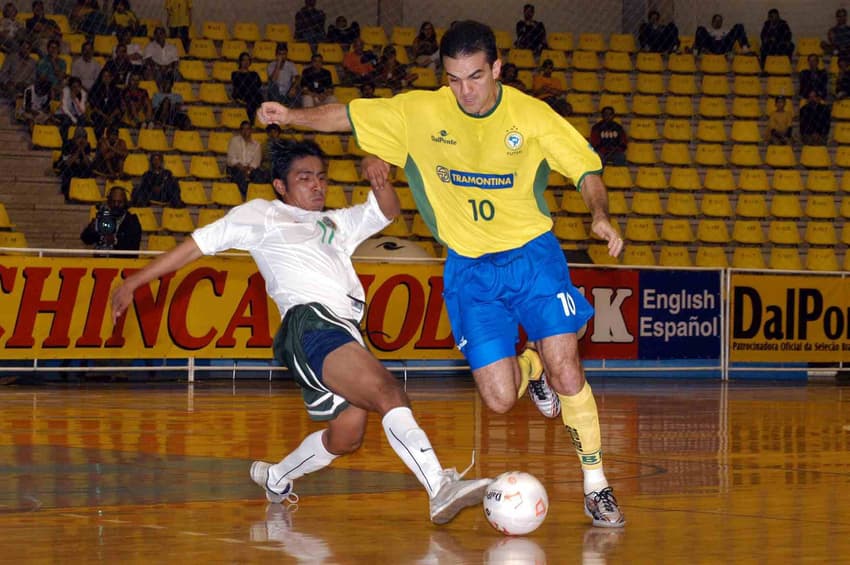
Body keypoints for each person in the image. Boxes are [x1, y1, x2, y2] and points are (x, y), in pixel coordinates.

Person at [258, 19, 626, 529]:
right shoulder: (422, 111)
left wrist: (600, 213)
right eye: (453, 79)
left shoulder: (532, 116)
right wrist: (291, 115)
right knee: (499, 399)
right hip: (469, 270)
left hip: (532, 257)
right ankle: (530, 368)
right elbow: (347, 116)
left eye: (475, 77)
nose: (465, 91)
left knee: (569, 369)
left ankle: (596, 484)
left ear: (497, 68)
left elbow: (587, 171)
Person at [110, 139, 492, 525]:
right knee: (387, 391)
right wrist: (134, 282)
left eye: (321, 178)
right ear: (281, 185)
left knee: (346, 438)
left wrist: (379, 180)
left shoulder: (335, 222)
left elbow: (387, 212)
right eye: (304, 178)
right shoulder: (260, 215)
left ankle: (277, 476)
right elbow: (195, 246)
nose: (317, 186)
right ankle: (438, 487)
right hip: (310, 322)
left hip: (341, 329)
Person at [81, 186, 141, 252]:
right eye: (113, 201)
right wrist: (92, 229)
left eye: (120, 202)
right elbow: (86, 239)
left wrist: (115, 241)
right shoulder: (103, 216)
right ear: (109, 202)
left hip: (122, 260)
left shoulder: (132, 221)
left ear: (126, 203)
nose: (116, 205)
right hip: (101, 259)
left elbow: (133, 246)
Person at [226, 120, 264, 195]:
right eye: (243, 129)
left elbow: (256, 162)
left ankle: (255, 196)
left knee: (260, 175)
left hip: (250, 169)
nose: (245, 131)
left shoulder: (257, 145)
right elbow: (231, 158)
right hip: (236, 167)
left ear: (251, 130)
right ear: (240, 131)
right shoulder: (234, 141)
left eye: (247, 129)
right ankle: (247, 196)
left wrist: (249, 170)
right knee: (240, 175)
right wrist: (242, 168)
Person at [55, 126, 93, 200]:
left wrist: (82, 150)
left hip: (80, 167)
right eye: (79, 137)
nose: (81, 140)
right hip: (67, 166)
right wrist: (78, 150)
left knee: (87, 170)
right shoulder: (67, 144)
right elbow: (68, 163)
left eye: (84, 138)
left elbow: (88, 164)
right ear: (74, 138)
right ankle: (67, 195)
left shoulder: (87, 145)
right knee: (69, 171)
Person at [88, 67, 122, 136]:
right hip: (100, 114)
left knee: (117, 120)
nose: (106, 78)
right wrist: (105, 117)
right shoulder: (95, 89)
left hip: (112, 114)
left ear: (112, 77)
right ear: (101, 77)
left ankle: (112, 140)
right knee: (98, 120)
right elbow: (94, 107)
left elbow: (118, 107)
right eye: (104, 76)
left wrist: (111, 116)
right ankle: (100, 140)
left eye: (108, 76)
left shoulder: (117, 90)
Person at [232, 52, 264, 124]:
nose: (246, 62)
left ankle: (253, 121)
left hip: (252, 95)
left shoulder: (254, 73)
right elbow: (238, 85)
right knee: (253, 97)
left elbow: (259, 84)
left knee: (253, 96)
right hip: (241, 94)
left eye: (248, 60)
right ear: (240, 61)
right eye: (244, 60)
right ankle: (252, 122)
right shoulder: (235, 73)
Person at [143, 26, 179, 91]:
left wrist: (167, 68)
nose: (159, 36)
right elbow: (148, 60)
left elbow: (175, 61)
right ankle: (160, 93)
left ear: (165, 34)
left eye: (161, 33)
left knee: (177, 75)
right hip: (155, 69)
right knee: (157, 74)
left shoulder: (172, 47)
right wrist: (160, 67)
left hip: (169, 70)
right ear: (154, 36)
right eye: (157, 34)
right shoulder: (150, 46)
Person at [267, 42, 300, 107]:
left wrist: (293, 87)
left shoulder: (290, 65)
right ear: (276, 55)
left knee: (298, 88)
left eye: (284, 54)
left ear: (286, 55)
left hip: (288, 91)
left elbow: (298, 77)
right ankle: (278, 106)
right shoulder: (271, 65)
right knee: (272, 85)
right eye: (280, 54)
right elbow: (273, 80)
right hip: (275, 92)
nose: (282, 56)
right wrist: (278, 64)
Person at [57, 76, 87, 142]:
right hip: (62, 114)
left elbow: (81, 112)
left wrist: (75, 100)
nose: (76, 89)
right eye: (74, 87)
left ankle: (78, 137)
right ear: (70, 87)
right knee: (67, 119)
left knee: (83, 118)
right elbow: (65, 109)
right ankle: (65, 141)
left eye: (78, 86)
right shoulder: (66, 93)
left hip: (74, 114)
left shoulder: (82, 94)